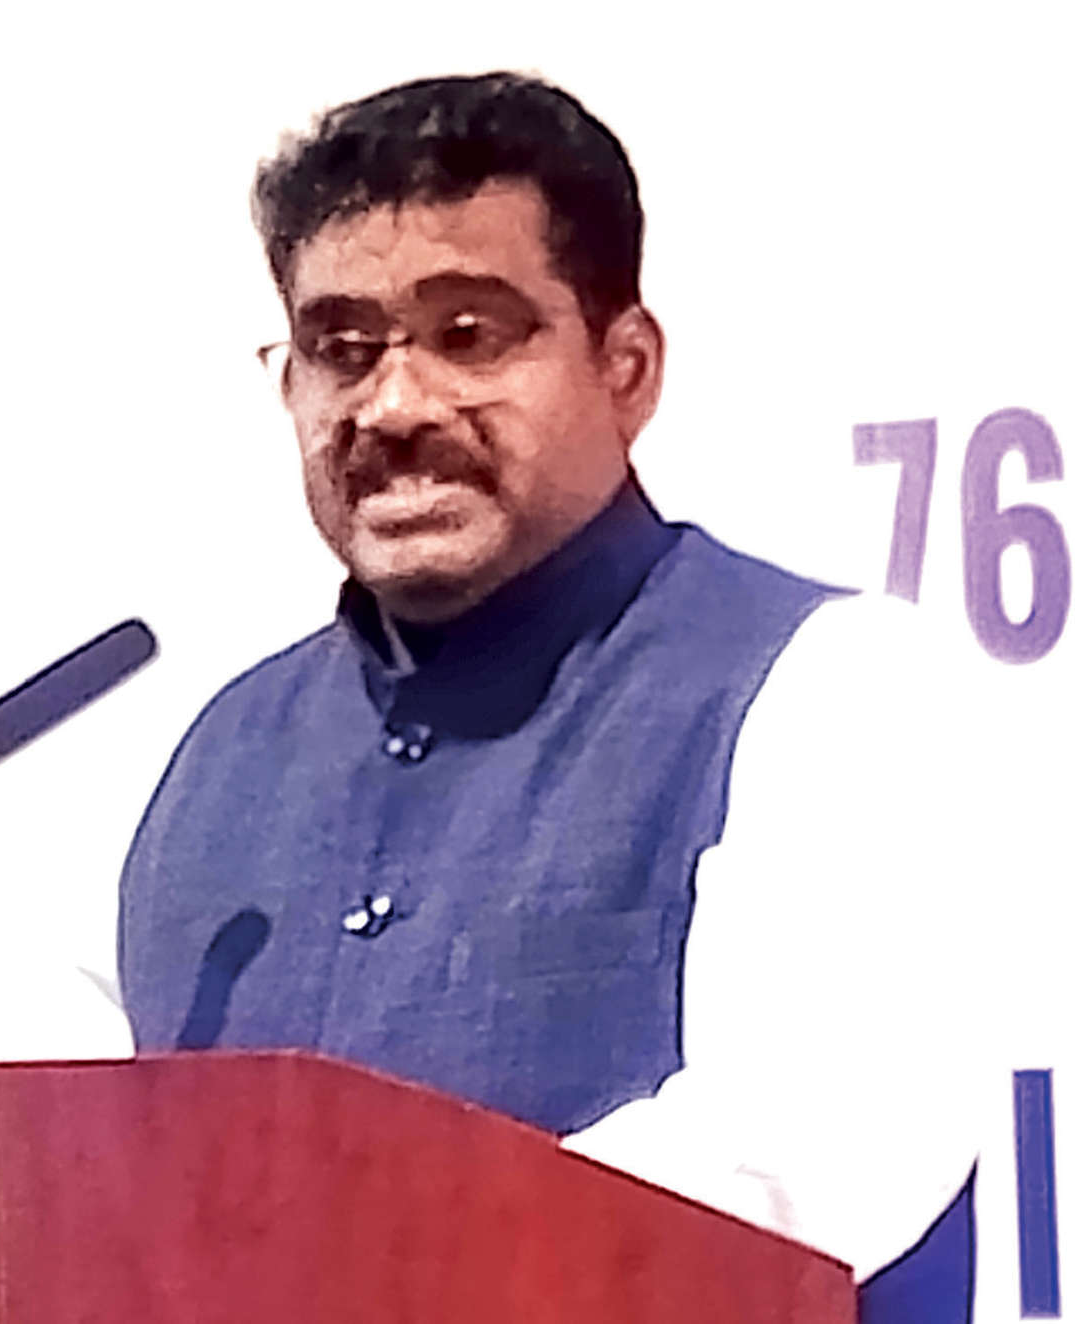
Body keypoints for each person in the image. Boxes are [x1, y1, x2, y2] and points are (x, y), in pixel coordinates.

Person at [119, 72, 992, 1322]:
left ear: (627, 368)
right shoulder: (217, 753)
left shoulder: (834, 689)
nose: (395, 406)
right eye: (341, 349)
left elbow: (806, 1152)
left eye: (470, 334)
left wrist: (367, 1265)